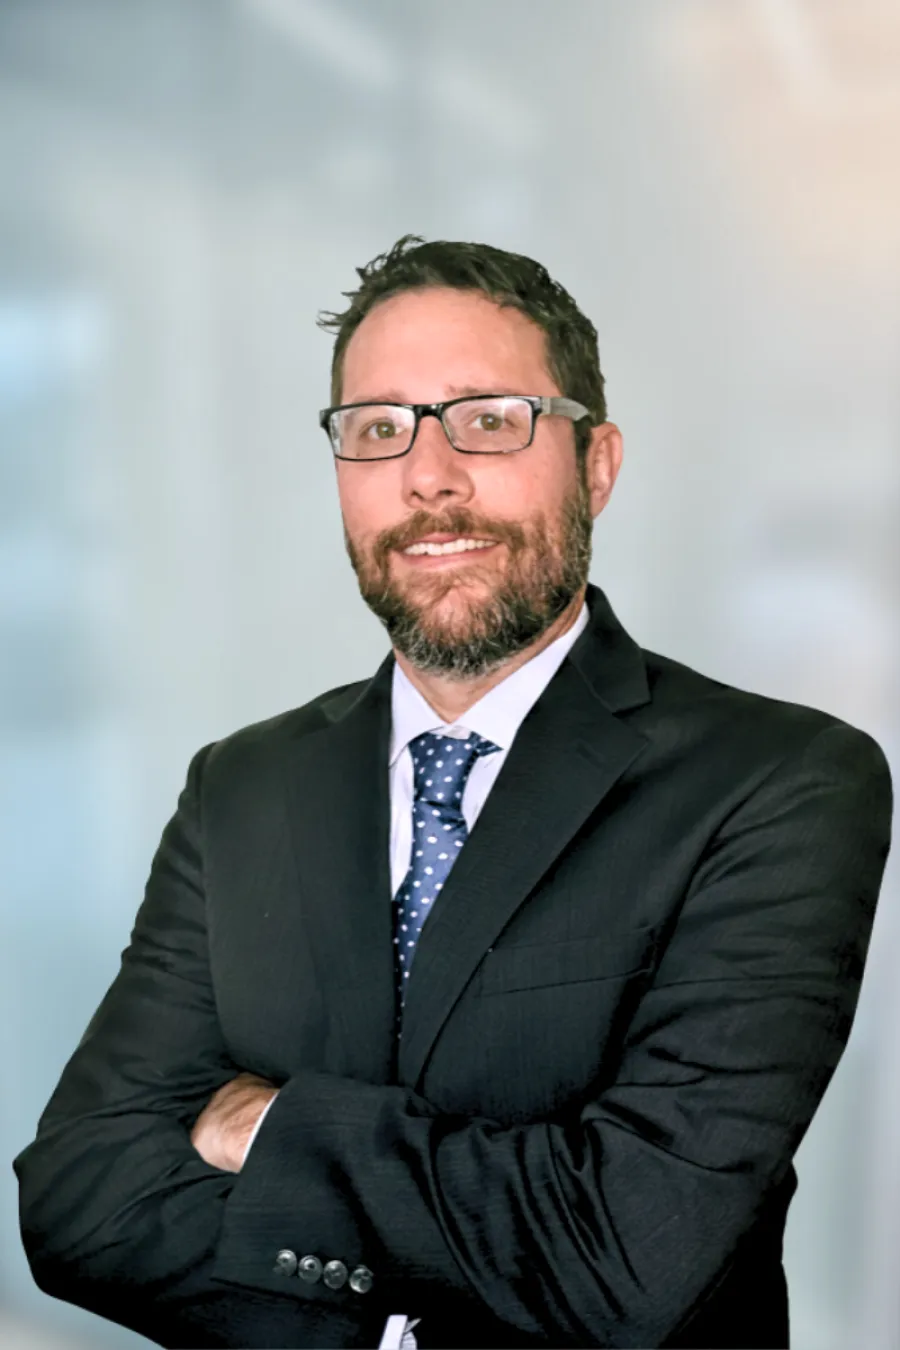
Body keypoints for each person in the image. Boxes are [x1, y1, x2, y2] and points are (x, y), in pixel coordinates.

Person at [14, 235, 893, 1350]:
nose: (429, 475)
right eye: (379, 429)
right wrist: (444, 1268)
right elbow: (80, 1198)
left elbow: (632, 1258)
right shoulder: (240, 787)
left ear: (599, 464)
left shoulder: (779, 782)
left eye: (488, 418)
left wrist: (275, 1125)